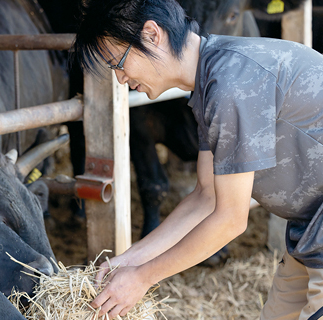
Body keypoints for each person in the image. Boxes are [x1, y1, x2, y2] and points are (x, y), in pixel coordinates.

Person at [71, 0, 323, 319]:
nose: (120, 78)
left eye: (118, 63)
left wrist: (142, 278)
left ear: (151, 34)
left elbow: (231, 218)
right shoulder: (212, 78)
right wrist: (130, 260)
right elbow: (206, 195)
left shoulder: (231, 83)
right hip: (310, 229)